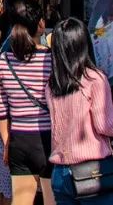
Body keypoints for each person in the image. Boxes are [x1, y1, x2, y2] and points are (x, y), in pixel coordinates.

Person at [0, 0, 54, 205]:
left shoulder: (4, 60)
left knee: (20, 200)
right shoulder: (51, 59)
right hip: (47, 138)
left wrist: (6, 142)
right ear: (41, 25)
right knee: (50, 198)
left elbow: (0, 109)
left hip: (18, 139)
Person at [47, 18, 113, 204]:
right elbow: (105, 125)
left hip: (60, 172)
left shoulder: (53, 84)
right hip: (92, 171)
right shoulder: (95, 79)